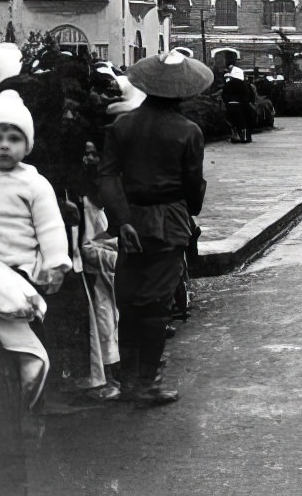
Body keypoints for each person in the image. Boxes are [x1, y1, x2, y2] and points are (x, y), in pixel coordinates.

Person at [97, 49, 212, 406]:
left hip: (131, 220)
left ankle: (127, 377)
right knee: (157, 303)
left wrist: (122, 219)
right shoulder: (188, 132)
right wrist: (191, 209)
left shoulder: (122, 126)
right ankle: (146, 382)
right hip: (169, 220)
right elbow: (193, 183)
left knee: (129, 299)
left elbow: (108, 174)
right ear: (182, 92)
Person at [0, 90, 71, 409]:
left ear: (27, 145)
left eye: (14, 138)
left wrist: (56, 261)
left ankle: (31, 364)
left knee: (18, 321)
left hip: (19, 272)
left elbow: (49, 227)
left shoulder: (34, 184)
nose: (4, 144)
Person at [221, 66, 252, 143]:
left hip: (230, 106)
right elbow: (248, 95)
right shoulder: (244, 84)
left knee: (233, 122)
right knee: (244, 122)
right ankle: (244, 137)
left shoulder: (228, 84)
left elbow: (223, 94)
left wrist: (227, 102)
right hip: (241, 106)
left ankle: (235, 136)